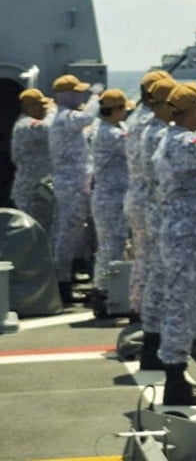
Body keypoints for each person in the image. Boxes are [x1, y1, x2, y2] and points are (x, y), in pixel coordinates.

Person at [151, 81, 196, 406]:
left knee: (180, 303)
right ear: (194, 110)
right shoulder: (185, 142)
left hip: (182, 233)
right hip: (190, 236)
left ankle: (175, 376)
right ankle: (175, 382)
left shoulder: (169, 138)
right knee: (183, 306)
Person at [47, 74, 101, 305]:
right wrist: (96, 97)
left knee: (72, 233)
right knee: (68, 235)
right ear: (66, 95)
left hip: (75, 183)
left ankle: (67, 279)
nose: (81, 95)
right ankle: (62, 284)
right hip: (72, 185)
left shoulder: (64, 118)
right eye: (77, 92)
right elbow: (88, 117)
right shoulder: (64, 117)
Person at [124, 70, 171, 319]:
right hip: (150, 197)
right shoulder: (152, 124)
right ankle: (146, 312)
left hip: (137, 193)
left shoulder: (136, 118)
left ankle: (138, 305)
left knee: (143, 256)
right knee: (154, 259)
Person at [137, 76, 177, 370]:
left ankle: (152, 344)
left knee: (157, 278)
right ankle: (153, 348)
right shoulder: (160, 134)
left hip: (155, 210)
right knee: (162, 281)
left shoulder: (150, 129)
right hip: (163, 213)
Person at [88, 88, 133, 317]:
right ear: (115, 110)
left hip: (114, 196)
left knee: (113, 246)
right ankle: (103, 294)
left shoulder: (113, 128)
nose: (126, 113)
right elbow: (133, 143)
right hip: (110, 198)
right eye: (123, 109)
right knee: (110, 247)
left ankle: (106, 292)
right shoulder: (109, 134)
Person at [11, 88, 55, 226]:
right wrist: (53, 111)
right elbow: (49, 128)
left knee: (42, 228)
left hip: (38, 189)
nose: (44, 109)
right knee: (32, 229)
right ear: (29, 107)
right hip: (30, 191)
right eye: (41, 106)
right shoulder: (26, 124)